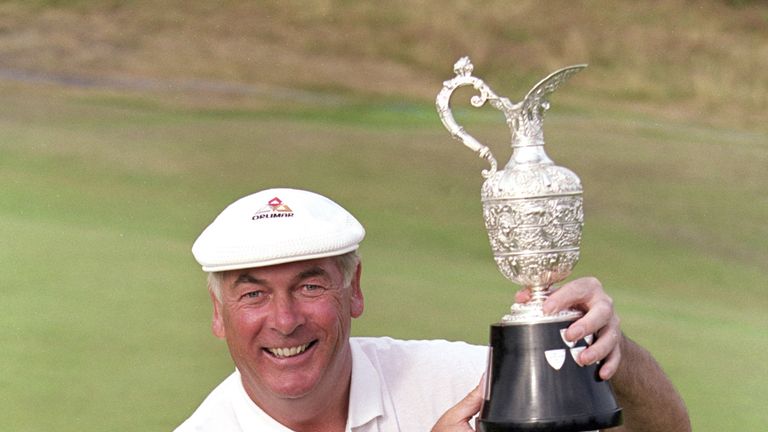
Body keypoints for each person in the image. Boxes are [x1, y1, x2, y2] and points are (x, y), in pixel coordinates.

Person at [176, 188, 690, 432]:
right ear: (218, 313)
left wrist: (613, 356)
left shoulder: (461, 382)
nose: (285, 320)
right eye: (253, 294)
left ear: (354, 291)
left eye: (310, 286)